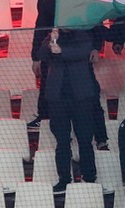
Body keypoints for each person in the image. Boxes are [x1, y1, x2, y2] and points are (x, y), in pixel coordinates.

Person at [39, 28, 99, 191]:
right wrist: (51, 42)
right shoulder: (52, 37)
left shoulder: (83, 35)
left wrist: (61, 50)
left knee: (85, 139)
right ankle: (64, 178)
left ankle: (89, 177)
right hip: (58, 98)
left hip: (81, 97)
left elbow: (83, 51)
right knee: (62, 141)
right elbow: (42, 55)